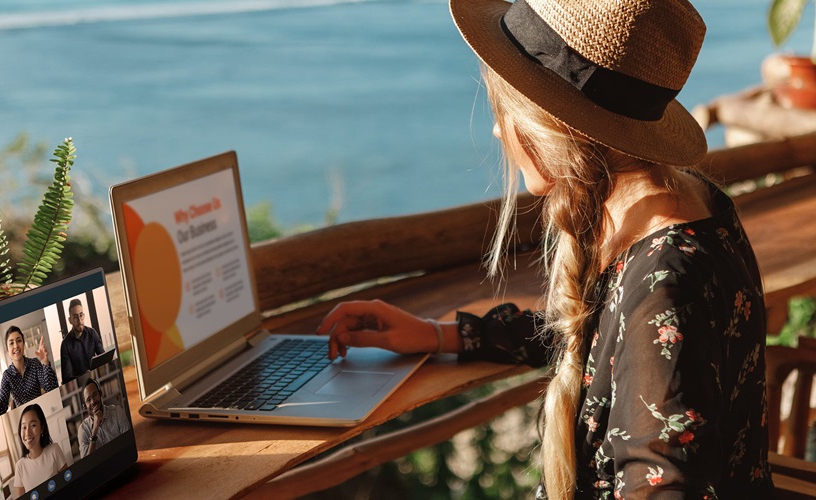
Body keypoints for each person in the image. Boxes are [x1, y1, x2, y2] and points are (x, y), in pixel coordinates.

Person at [321, 0, 774, 498]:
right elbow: (603, 342)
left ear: (547, 127)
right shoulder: (691, 204)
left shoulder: (663, 284)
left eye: (505, 112)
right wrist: (441, 335)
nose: (497, 130)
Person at [0, 325, 59, 419]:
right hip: (23, 419)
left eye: (19, 341)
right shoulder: (7, 376)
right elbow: (0, 411)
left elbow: (52, 388)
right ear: (7, 350)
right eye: (11, 343)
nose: (16, 346)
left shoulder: (35, 364)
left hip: (41, 413)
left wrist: (45, 363)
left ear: (23, 343)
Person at [12, 403, 69, 496]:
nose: (27, 433)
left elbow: (69, 483)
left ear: (42, 428)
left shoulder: (54, 450)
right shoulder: (20, 466)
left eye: (33, 425)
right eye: (24, 427)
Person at [75, 377, 131, 457]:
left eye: (95, 395)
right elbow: (87, 463)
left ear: (100, 393)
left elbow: (129, 442)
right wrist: (94, 430)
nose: (93, 401)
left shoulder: (117, 412)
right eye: (88, 400)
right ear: (84, 406)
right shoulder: (83, 430)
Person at [59, 299, 105, 381]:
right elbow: (66, 378)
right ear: (70, 320)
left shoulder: (92, 333)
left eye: (81, 315)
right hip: (80, 385)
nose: (80, 321)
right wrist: (83, 377)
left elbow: (103, 358)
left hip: (98, 378)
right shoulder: (65, 345)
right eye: (75, 317)